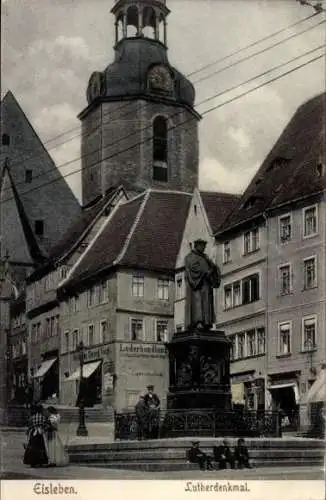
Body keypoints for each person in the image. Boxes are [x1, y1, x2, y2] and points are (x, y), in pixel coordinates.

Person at [184, 239, 221, 331]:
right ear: (197, 246)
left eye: (205, 246)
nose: (204, 248)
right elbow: (192, 270)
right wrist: (205, 272)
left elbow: (213, 268)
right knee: (198, 303)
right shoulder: (190, 257)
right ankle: (198, 322)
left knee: (206, 303)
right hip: (197, 286)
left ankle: (206, 322)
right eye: (203, 246)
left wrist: (213, 270)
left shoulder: (205, 257)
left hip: (206, 285)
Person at [23, 403, 49, 468]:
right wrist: (43, 429)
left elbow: (30, 425)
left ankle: (32, 462)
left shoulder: (32, 417)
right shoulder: (43, 417)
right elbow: (46, 426)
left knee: (33, 447)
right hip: (40, 433)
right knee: (40, 447)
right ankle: (40, 461)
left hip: (34, 433)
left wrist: (29, 431)